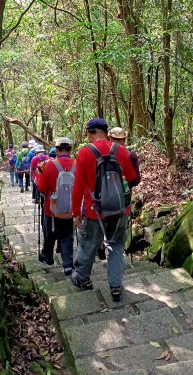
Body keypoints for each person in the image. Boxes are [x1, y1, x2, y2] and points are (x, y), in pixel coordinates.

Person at [71, 118, 139, 302]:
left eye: (86, 133)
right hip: (119, 210)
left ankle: (83, 279)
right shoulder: (120, 150)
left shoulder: (84, 153)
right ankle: (116, 287)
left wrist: (76, 212)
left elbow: (77, 186)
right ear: (106, 132)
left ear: (91, 132)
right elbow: (132, 178)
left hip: (94, 211)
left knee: (89, 245)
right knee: (116, 247)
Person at [36, 137, 75, 274]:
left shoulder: (50, 165)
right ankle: (68, 265)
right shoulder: (77, 164)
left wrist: (38, 175)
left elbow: (41, 188)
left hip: (51, 209)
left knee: (50, 233)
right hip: (71, 208)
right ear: (70, 149)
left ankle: (47, 256)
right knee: (67, 235)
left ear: (57, 150)